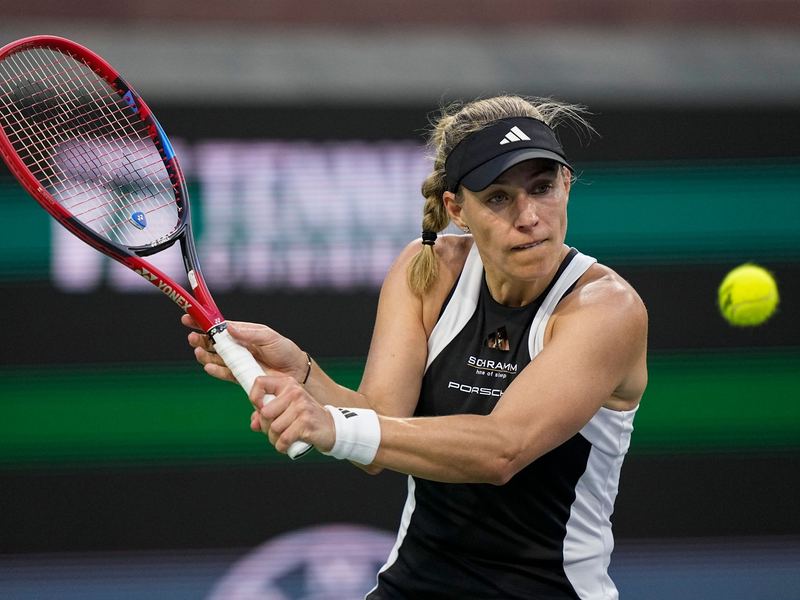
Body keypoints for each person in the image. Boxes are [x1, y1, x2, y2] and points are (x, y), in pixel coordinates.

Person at [183, 95, 648, 599]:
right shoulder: (427, 271)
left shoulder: (606, 308)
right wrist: (305, 375)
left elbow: (502, 449)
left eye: (544, 188)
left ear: (566, 185)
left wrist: (330, 424)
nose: (530, 216)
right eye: (498, 198)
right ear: (457, 209)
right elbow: (378, 432)